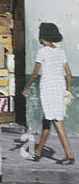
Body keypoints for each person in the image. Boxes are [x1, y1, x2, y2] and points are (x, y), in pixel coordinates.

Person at [22, 22, 74, 164]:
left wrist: (26, 88)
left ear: (42, 36)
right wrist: (68, 90)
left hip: (48, 88)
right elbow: (69, 74)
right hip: (60, 87)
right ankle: (38, 151)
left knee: (56, 121)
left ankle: (69, 154)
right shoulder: (60, 51)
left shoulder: (42, 52)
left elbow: (35, 73)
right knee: (47, 119)